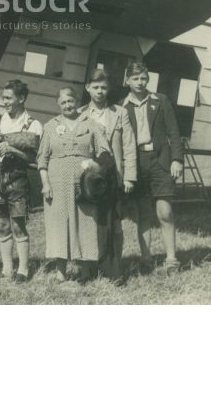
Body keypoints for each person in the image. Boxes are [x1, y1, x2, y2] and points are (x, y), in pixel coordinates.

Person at [37, 87, 111, 283]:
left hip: (84, 184)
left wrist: (94, 166)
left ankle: (86, 271)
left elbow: (104, 153)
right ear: (58, 104)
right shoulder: (50, 126)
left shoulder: (92, 124)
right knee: (59, 224)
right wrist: (45, 184)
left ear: (77, 102)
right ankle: (60, 272)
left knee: (86, 222)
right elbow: (42, 160)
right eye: (63, 103)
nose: (67, 105)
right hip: (57, 181)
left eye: (70, 101)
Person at [121, 62, 183, 274]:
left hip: (160, 161)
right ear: (127, 80)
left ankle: (172, 259)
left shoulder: (161, 100)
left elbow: (174, 132)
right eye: (135, 79)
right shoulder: (122, 107)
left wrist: (177, 159)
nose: (140, 83)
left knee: (164, 211)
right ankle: (146, 258)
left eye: (143, 78)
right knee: (143, 213)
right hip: (136, 162)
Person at [79, 68, 137, 280]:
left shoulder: (119, 113)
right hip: (89, 177)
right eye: (95, 87)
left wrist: (129, 176)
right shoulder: (80, 114)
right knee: (90, 222)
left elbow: (129, 146)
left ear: (109, 89)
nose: (100, 91)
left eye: (104, 87)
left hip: (114, 176)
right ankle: (89, 267)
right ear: (88, 88)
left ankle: (114, 267)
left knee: (114, 222)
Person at [0, 79, 43, 283]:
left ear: (21, 98)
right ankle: (6, 269)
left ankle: (23, 270)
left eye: (9, 98)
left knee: (18, 224)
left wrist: (11, 149)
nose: (5, 101)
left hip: (19, 177)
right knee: (2, 224)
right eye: (4, 97)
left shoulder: (33, 124)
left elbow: (36, 159)